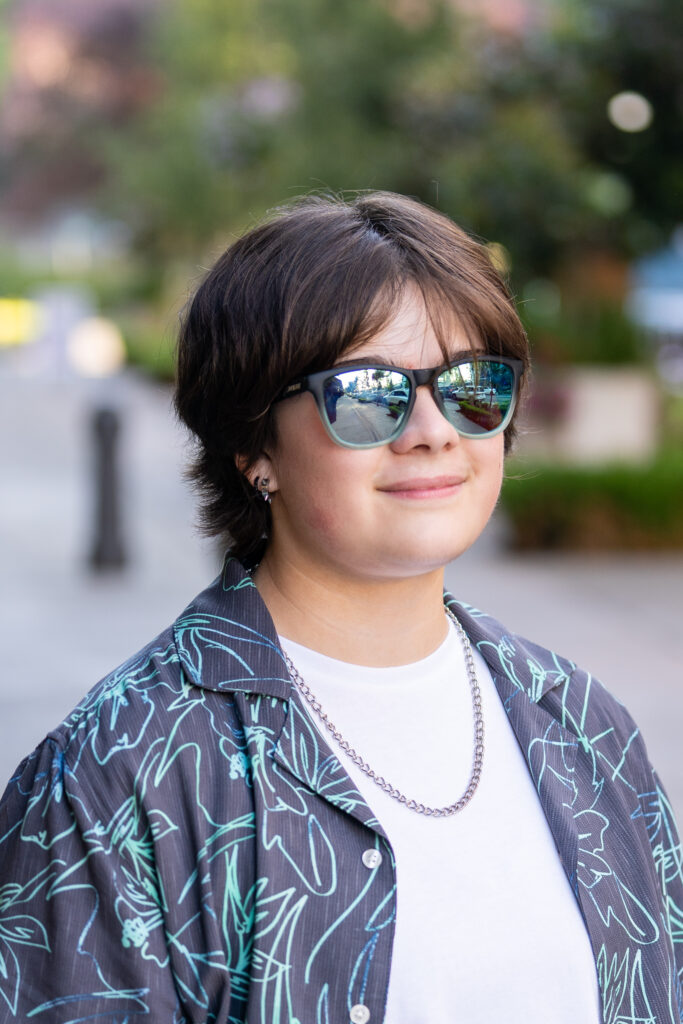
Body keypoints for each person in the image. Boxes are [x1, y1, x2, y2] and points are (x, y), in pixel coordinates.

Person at [0, 192, 681, 1024]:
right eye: (368, 393)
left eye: (470, 386)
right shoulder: (121, 775)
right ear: (255, 447)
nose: (432, 430)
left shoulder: (579, 723)